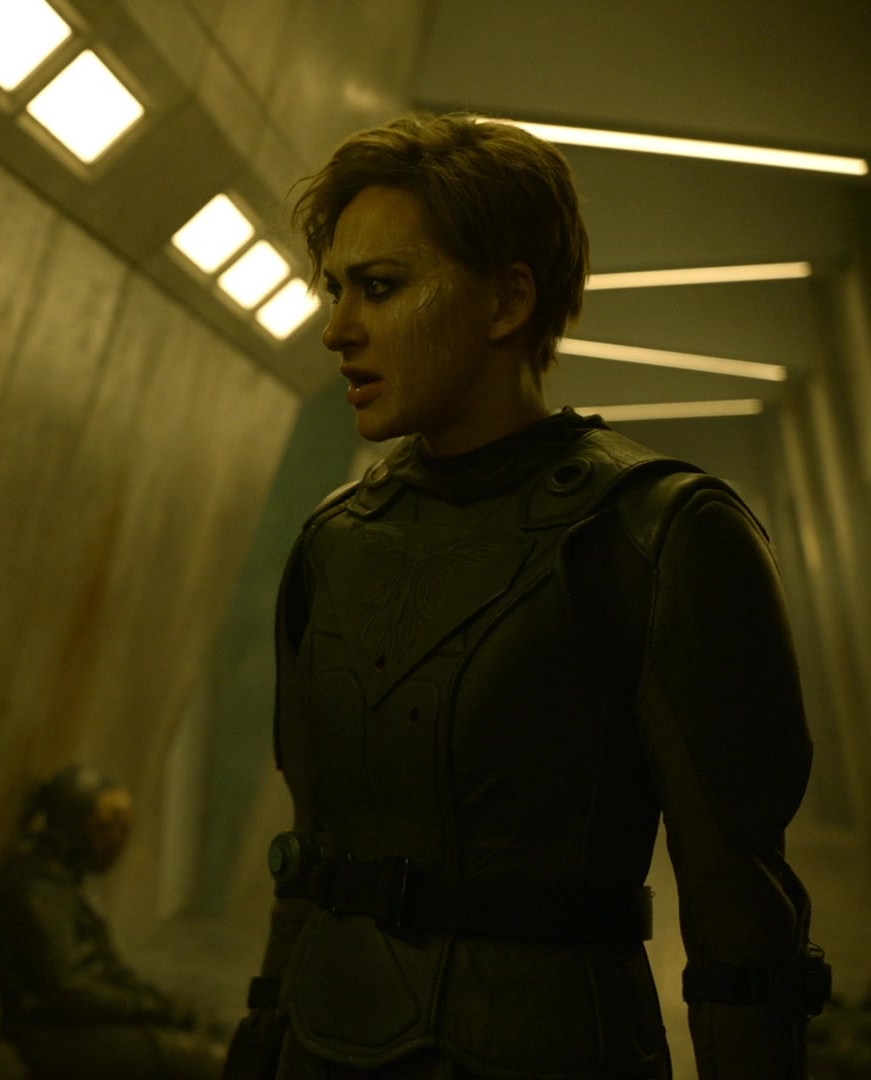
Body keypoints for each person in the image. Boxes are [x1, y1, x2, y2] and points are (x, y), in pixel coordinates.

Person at [222, 114, 829, 1079]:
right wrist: (262, 1043)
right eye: (336, 289)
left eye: (381, 287)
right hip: (321, 1045)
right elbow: (308, 860)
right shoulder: (336, 540)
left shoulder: (656, 534)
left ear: (507, 301)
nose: (337, 330)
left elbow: (741, 918)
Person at [0, 765, 227, 1080]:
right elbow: (66, 992)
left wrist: (168, 1007)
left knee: (219, 1036)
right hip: (56, 1036)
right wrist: (149, 1008)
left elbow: (110, 969)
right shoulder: (36, 892)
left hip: (85, 1024)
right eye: (105, 828)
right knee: (210, 1062)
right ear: (72, 824)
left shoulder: (66, 884)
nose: (115, 840)